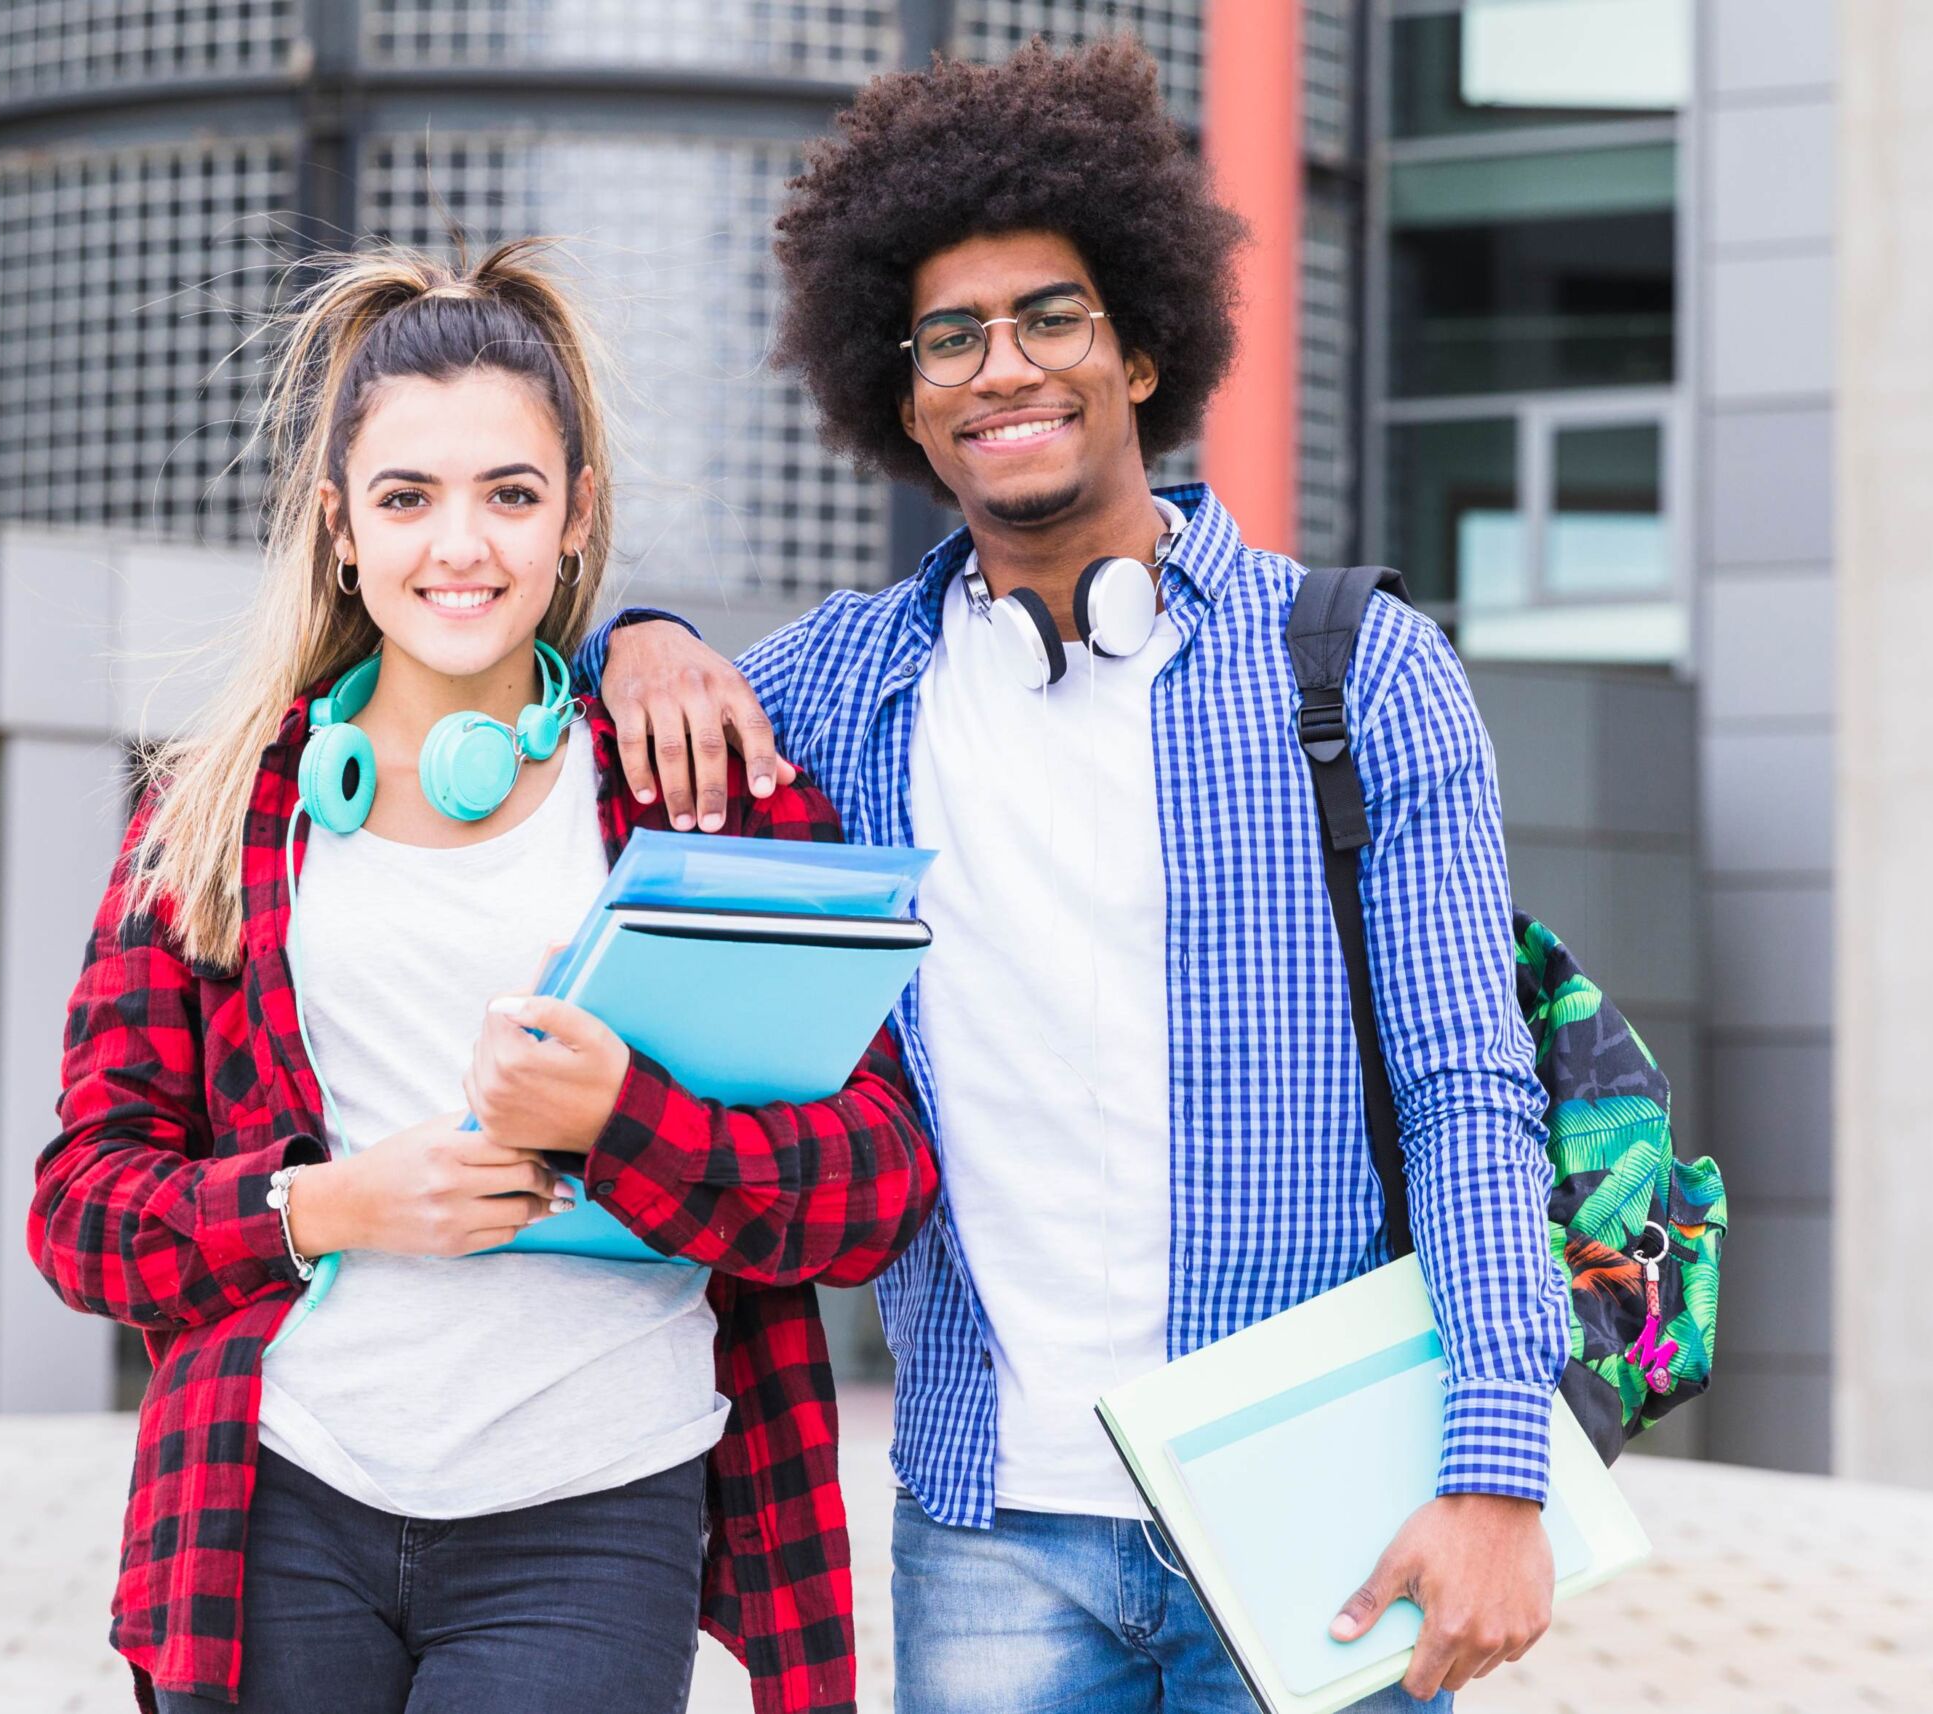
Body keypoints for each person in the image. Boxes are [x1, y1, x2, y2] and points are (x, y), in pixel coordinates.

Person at [587, 39, 1569, 1714]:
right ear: (900, 396)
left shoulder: (1358, 672)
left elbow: (1472, 1089)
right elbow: (623, 706)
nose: (1003, 367)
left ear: (1138, 346)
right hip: (990, 1530)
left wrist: (1498, 1471)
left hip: (1317, 1504)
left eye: (1050, 316)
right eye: (950, 336)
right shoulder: (840, 688)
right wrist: (642, 636)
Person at [27, 239, 936, 1714]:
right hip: (273, 1501)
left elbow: (878, 1180)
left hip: (594, 1503)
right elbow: (81, 1212)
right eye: (407, 497)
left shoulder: (700, 789)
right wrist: (325, 1203)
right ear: (338, 530)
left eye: (510, 494)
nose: (462, 544)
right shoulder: (208, 815)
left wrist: (624, 1115)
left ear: (577, 521)